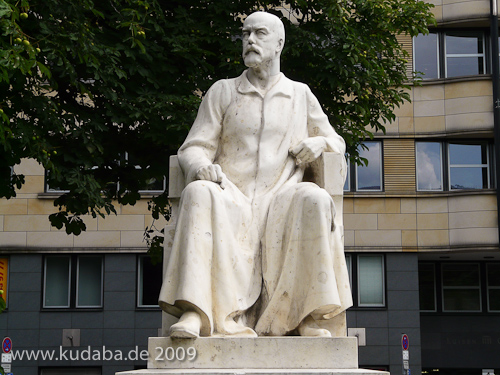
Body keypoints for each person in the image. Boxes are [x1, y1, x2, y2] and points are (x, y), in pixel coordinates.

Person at [158, 11, 352, 338]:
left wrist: (319, 142)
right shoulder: (222, 91)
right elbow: (193, 147)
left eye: (259, 34)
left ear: (279, 44)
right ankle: (196, 312)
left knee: (315, 198)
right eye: (245, 33)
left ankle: (304, 316)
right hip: (230, 196)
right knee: (198, 192)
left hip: (283, 199)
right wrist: (198, 165)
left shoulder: (300, 95)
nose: (249, 40)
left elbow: (336, 141)